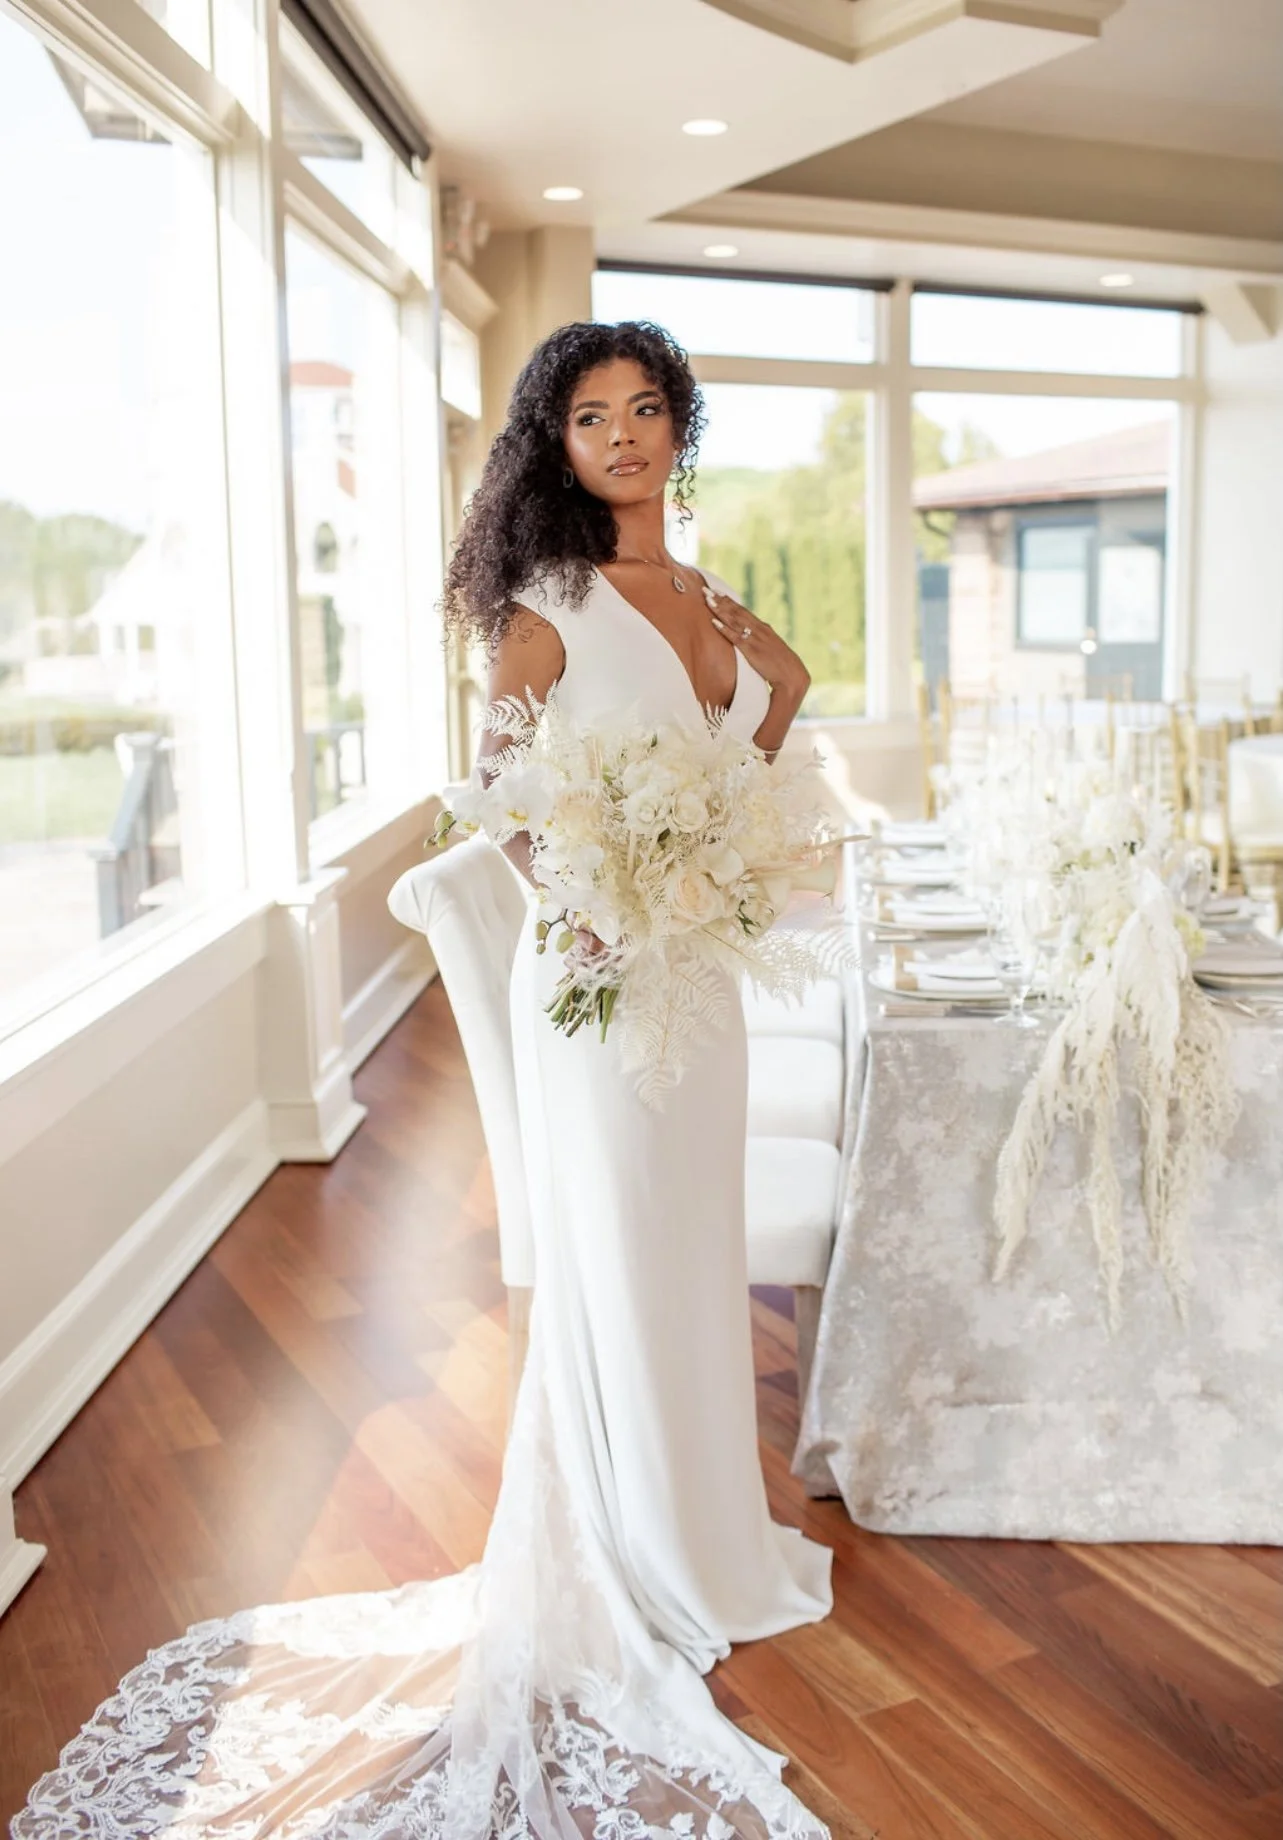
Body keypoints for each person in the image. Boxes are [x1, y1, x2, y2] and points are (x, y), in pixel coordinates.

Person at [12, 320, 833, 1840]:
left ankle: (714, 1536)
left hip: (695, 981)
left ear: (678, 427)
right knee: (624, 1261)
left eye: (648, 408)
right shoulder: (546, 609)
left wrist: (774, 687)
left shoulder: (707, 597)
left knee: (691, 1255)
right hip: (598, 976)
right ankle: (637, 1546)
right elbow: (505, 802)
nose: (627, 436)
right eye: (592, 418)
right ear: (556, 447)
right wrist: (594, 894)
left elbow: (744, 780)